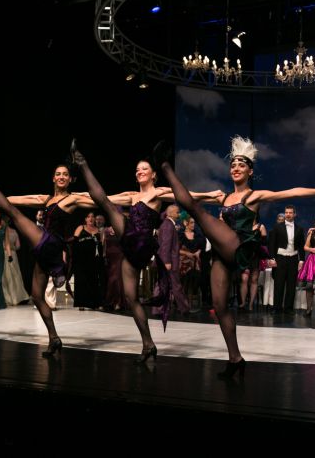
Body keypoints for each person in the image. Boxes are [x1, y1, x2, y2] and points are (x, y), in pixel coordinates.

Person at [157, 136, 315, 377]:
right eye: (233, 165)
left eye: (241, 165)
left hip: (237, 247)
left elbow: (291, 192)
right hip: (221, 253)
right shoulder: (221, 196)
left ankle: (164, 164)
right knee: (219, 306)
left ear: (250, 171)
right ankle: (235, 358)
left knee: (195, 210)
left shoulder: (254, 196)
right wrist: (155, 194)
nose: (236, 168)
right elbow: (186, 195)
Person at [69, 140, 221, 362]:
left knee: (107, 206)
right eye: (137, 169)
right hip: (128, 243)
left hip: (141, 242)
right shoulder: (132, 195)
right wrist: (75, 198)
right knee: (131, 298)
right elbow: (101, 198)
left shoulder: (158, 192)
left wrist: (212, 195)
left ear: (153, 175)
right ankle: (148, 344)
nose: (139, 171)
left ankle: (82, 163)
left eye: (144, 169)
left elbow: (186, 196)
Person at [0, 158, 96, 357]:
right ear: (53, 178)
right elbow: (14, 200)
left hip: (52, 242)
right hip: (44, 248)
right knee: (37, 296)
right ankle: (54, 338)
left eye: (65, 174)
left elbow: (100, 199)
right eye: (58, 174)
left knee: (13, 213)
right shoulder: (45, 199)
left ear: (70, 179)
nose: (61, 177)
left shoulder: (73, 199)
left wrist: (134, 198)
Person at [268, 205, 305, 313]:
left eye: (290, 212)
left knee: (291, 284)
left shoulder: (299, 229)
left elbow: (301, 246)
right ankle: (277, 307)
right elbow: (272, 244)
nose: (288, 214)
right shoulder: (277, 227)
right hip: (280, 258)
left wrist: (302, 260)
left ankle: (288, 308)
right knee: (278, 284)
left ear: (294, 214)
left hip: (293, 259)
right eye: (286, 212)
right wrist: (272, 258)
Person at [72, 211, 104, 310]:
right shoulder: (81, 228)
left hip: (94, 259)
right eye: (88, 216)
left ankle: (94, 303)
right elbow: (74, 243)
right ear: (85, 219)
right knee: (81, 281)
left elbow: (101, 245)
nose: (91, 218)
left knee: (94, 280)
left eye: (92, 216)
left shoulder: (98, 230)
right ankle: (81, 303)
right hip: (81, 259)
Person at [1, 215, 30, 306]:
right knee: (15, 276)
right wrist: (12, 248)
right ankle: (18, 297)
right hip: (13, 255)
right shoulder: (14, 231)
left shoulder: (0, 231)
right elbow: (18, 246)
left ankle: (9, 298)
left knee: (6, 276)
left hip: (3, 254)